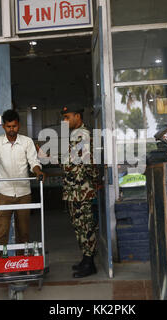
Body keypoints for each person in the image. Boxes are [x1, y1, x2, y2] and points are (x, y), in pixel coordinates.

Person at [0, 109, 45, 253]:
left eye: (14, 126)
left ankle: (22, 263)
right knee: (2, 231)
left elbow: (33, 161)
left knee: (23, 232)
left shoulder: (27, 142)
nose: (12, 130)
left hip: (24, 193)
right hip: (4, 194)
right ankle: (1, 264)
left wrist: (38, 171)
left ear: (19, 125)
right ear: (3, 126)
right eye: (8, 126)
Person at [60, 105, 99, 278]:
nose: (65, 121)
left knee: (86, 226)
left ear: (78, 116)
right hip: (74, 189)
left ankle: (90, 263)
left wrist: (94, 181)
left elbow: (89, 162)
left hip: (82, 190)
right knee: (79, 226)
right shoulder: (75, 135)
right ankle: (85, 258)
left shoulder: (83, 134)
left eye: (67, 117)